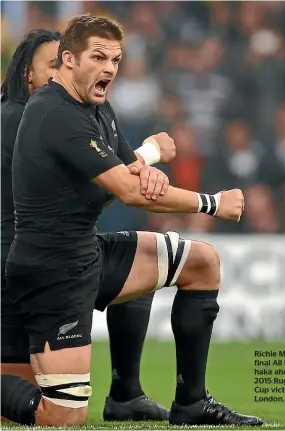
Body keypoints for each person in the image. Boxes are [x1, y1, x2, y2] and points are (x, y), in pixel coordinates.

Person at [1, 14, 264, 427]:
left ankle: (187, 403)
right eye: (99, 57)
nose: (109, 68)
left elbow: (130, 172)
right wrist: (211, 203)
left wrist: (144, 169)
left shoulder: (98, 111)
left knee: (201, 262)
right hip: (51, 272)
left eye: (116, 60)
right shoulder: (51, 111)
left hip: (88, 251)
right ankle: (123, 393)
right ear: (69, 61)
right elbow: (129, 189)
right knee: (62, 416)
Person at [0, 29, 175, 422]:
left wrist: (136, 170)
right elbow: (106, 181)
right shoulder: (22, 117)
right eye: (53, 65)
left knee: (139, 267)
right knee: (37, 411)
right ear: (29, 74)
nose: (65, 72)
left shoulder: (74, 115)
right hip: (23, 267)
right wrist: (151, 155)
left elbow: (114, 174)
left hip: (60, 255)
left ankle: (127, 391)